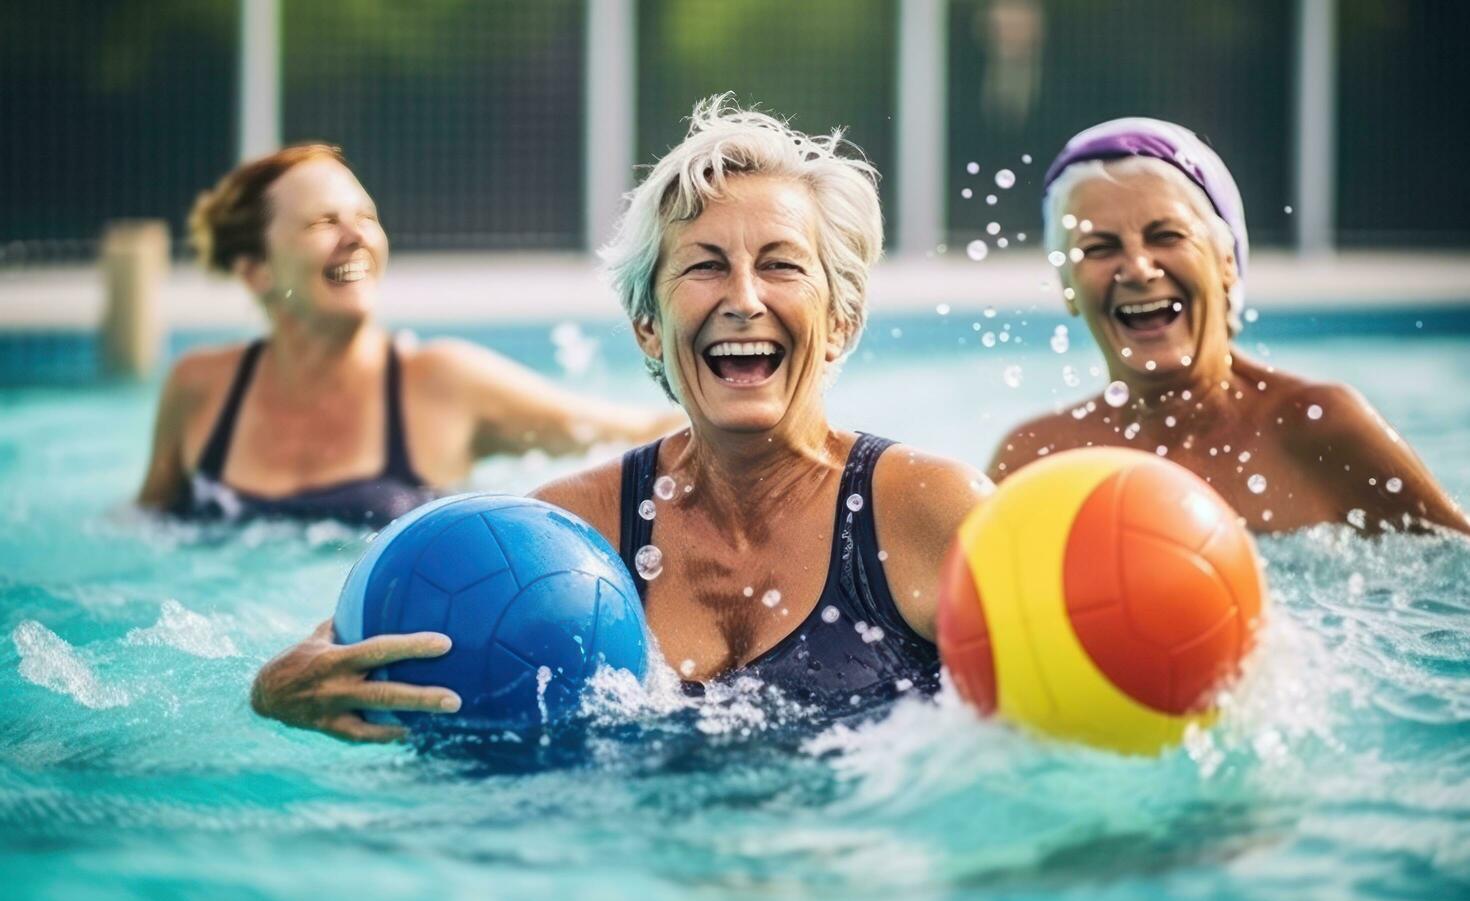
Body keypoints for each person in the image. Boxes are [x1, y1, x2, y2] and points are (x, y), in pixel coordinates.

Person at [249, 98, 988, 742]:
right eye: (703, 266)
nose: (743, 298)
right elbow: (351, 648)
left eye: (781, 265)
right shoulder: (565, 534)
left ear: (842, 323)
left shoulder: (927, 515)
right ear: (646, 325)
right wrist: (278, 687)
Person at [137, 144, 680, 528]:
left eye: (366, 217)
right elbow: (144, 530)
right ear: (257, 269)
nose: (356, 238)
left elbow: (633, 435)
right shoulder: (201, 387)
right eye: (322, 223)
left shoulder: (442, 383)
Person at [988, 118, 1468, 535]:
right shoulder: (1037, 459)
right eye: (1098, 248)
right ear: (1068, 287)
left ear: (1227, 265)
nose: (1136, 268)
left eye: (1167, 235)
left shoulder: (1319, 428)